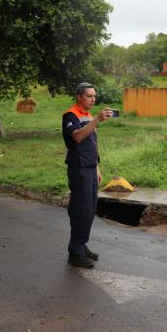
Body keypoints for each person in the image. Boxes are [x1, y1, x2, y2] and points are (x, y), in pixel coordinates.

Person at [62, 83, 114, 268]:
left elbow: (92, 142)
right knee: (80, 209)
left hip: (90, 167)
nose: (93, 99)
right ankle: (75, 251)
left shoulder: (88, 115)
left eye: (94, 95)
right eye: (89, 96)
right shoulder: (71, 115)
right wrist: (97, 120)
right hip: (79, 167)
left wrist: (97, 167)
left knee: (90, 208)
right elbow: (77, 136)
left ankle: (81, 245)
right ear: (79, 97)